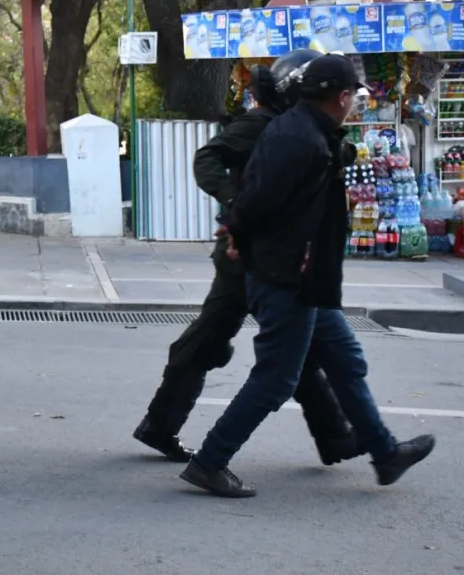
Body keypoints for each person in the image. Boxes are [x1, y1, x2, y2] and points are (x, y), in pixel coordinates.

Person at [179, 55, 436, 498]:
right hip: (288, 278)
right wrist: (237, 230)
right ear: (341, 97)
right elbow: (258, 197)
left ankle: (385, 454)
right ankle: (209, 461)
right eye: (354, 95)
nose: (356, 102)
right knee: (276, 379)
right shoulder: (298, 138)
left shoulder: (310, 131)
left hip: (307, 276)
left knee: (345, 360)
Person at [134, 49, 364, 467]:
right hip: (245, 258)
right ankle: (166, 429)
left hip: (273, 255)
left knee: (295, 351)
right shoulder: (266, 126)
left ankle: (336, 438)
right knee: (217, 342)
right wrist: (235, 202)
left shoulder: (303, 128)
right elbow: (208, 158)